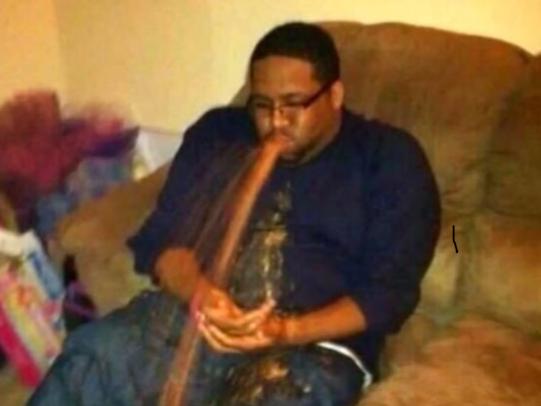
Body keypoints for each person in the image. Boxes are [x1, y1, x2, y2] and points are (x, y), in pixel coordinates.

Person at [30, 22, 440, 405]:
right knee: (93, 355)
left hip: (315, 348)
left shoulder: (388, 158)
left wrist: (283, 330)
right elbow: (163, 242)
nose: (276, 121)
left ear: (334, 95)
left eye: (294, 104)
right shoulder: (219, 135)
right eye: (262, 105)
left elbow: (388, 294)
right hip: (194, 320)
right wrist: (202, 295)